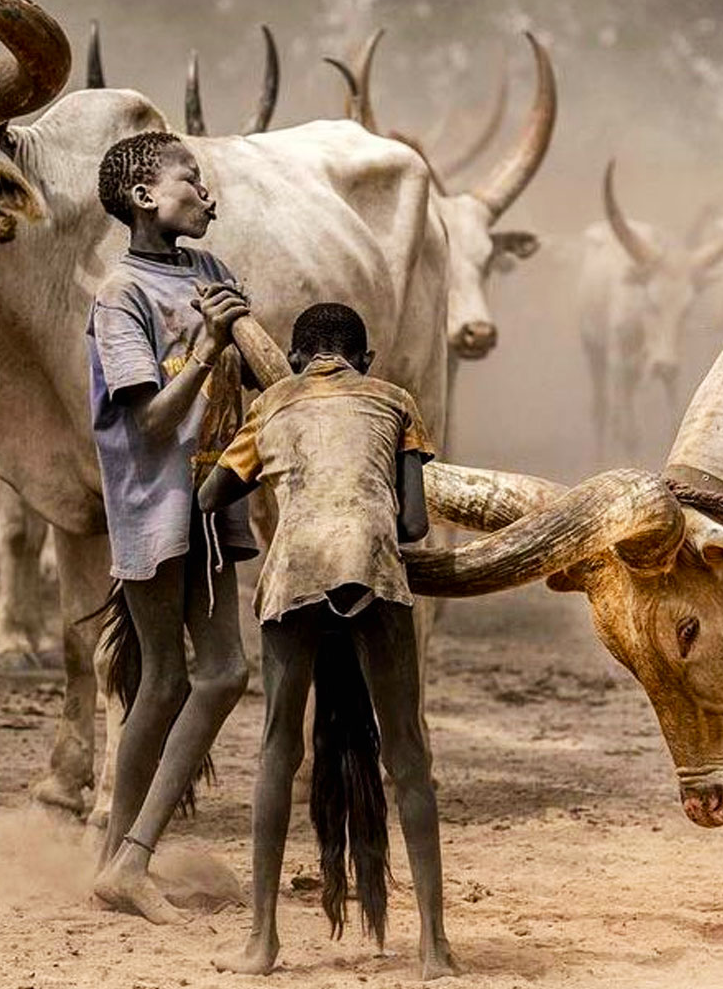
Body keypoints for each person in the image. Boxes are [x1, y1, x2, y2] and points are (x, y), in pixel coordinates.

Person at [200, 302, 457, 980]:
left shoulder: (273, 404)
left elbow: (209, 496)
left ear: (293, 360)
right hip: (372, 565)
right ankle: (433, 946)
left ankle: (262, 940)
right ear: (363, 361)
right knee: (407, 755)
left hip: (294, 574)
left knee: (277, 751)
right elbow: (414, 525)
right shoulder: (397, 400)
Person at [85, 131, 258, 924]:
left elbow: (253, 373)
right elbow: (149, 423)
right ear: (144, 198)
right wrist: (212, 344)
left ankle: (123, 858)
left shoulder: (213, 273)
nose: (207, 194)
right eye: (192, 180)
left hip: (216, 500)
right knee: (170, 677)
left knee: (212, 673)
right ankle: (127, 856)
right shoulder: (121, 293)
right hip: (154, 503)